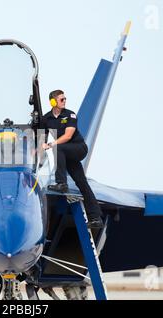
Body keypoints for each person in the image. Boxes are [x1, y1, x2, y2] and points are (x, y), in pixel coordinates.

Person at [41, 90, 104, 229]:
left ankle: (61, 183)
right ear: (53, 102)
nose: (64, 101)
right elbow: (41, 137)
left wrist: (51, 144)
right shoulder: (46, 119)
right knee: (82, 183)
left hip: (78, 148)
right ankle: (95, 218)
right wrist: (37, 150)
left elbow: (68, 136)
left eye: (65, 99)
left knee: (59, 147)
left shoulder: (70, 114)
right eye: (61, 99)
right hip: (66, 155)